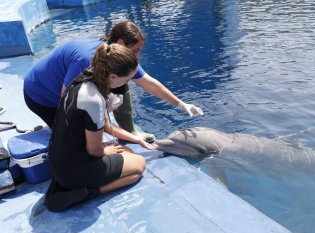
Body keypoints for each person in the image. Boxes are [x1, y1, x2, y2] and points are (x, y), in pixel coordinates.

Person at [23, 20, 203, 142]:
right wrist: (103, 111)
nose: (139, 55)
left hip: (62, 93)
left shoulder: (115, 56)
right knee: (76, 140)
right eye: (137, 50)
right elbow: (68, 103)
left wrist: (181, 104)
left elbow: (148, 83)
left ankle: (128, 129)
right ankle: (51, 132)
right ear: (122, 43)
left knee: (124, 77)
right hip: (41, 96)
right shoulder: (88, 60)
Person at [45, 43, 156, 212]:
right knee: (139, 165)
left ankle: (75, 186)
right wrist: (104, 151)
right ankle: (86, 193)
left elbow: (103, 126)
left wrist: (136, 138)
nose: (128, 84)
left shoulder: (84, 78)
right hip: (72, 171)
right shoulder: (94, 99)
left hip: (58, 162)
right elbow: (94, 150)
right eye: (127, 80)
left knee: (129, 157)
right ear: (112, 77)